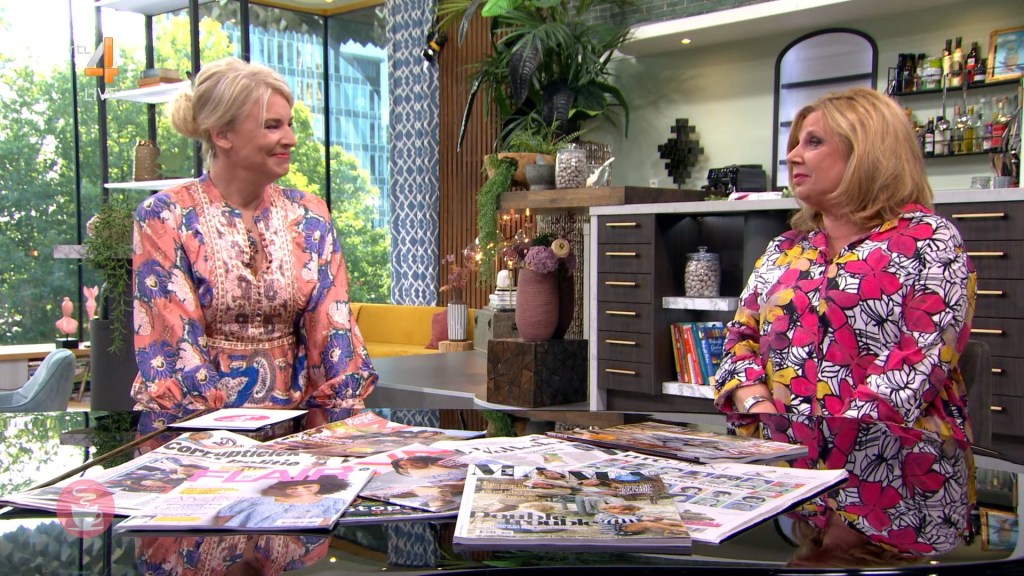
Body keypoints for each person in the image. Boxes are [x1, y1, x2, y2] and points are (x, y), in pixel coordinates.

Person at [713, 87, 975, 445]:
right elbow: (739, 341)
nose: (792, 156)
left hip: (893, 464)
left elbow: (919, 362)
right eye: (796, 143)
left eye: (813, 142)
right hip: (778, 461)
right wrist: (759, 409)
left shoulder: (930, 240)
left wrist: (822, 446)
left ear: (866, 151)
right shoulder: (784, 249)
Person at [130, 58, 376, 426]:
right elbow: (175, 349)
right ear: (222, 135)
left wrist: (343, 430)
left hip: (292, 431)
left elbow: (333, 336)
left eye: (289, 124)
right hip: (194, 430)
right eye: (272, 126)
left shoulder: (310, 215)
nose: (290, 138)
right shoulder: (165, 216)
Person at [214, 477, 351, 529]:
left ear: (320, 486)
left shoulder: (334, 503)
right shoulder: (260, 501)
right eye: (293, 488)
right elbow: (224, 518)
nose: (299, 490)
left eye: (308, 486)